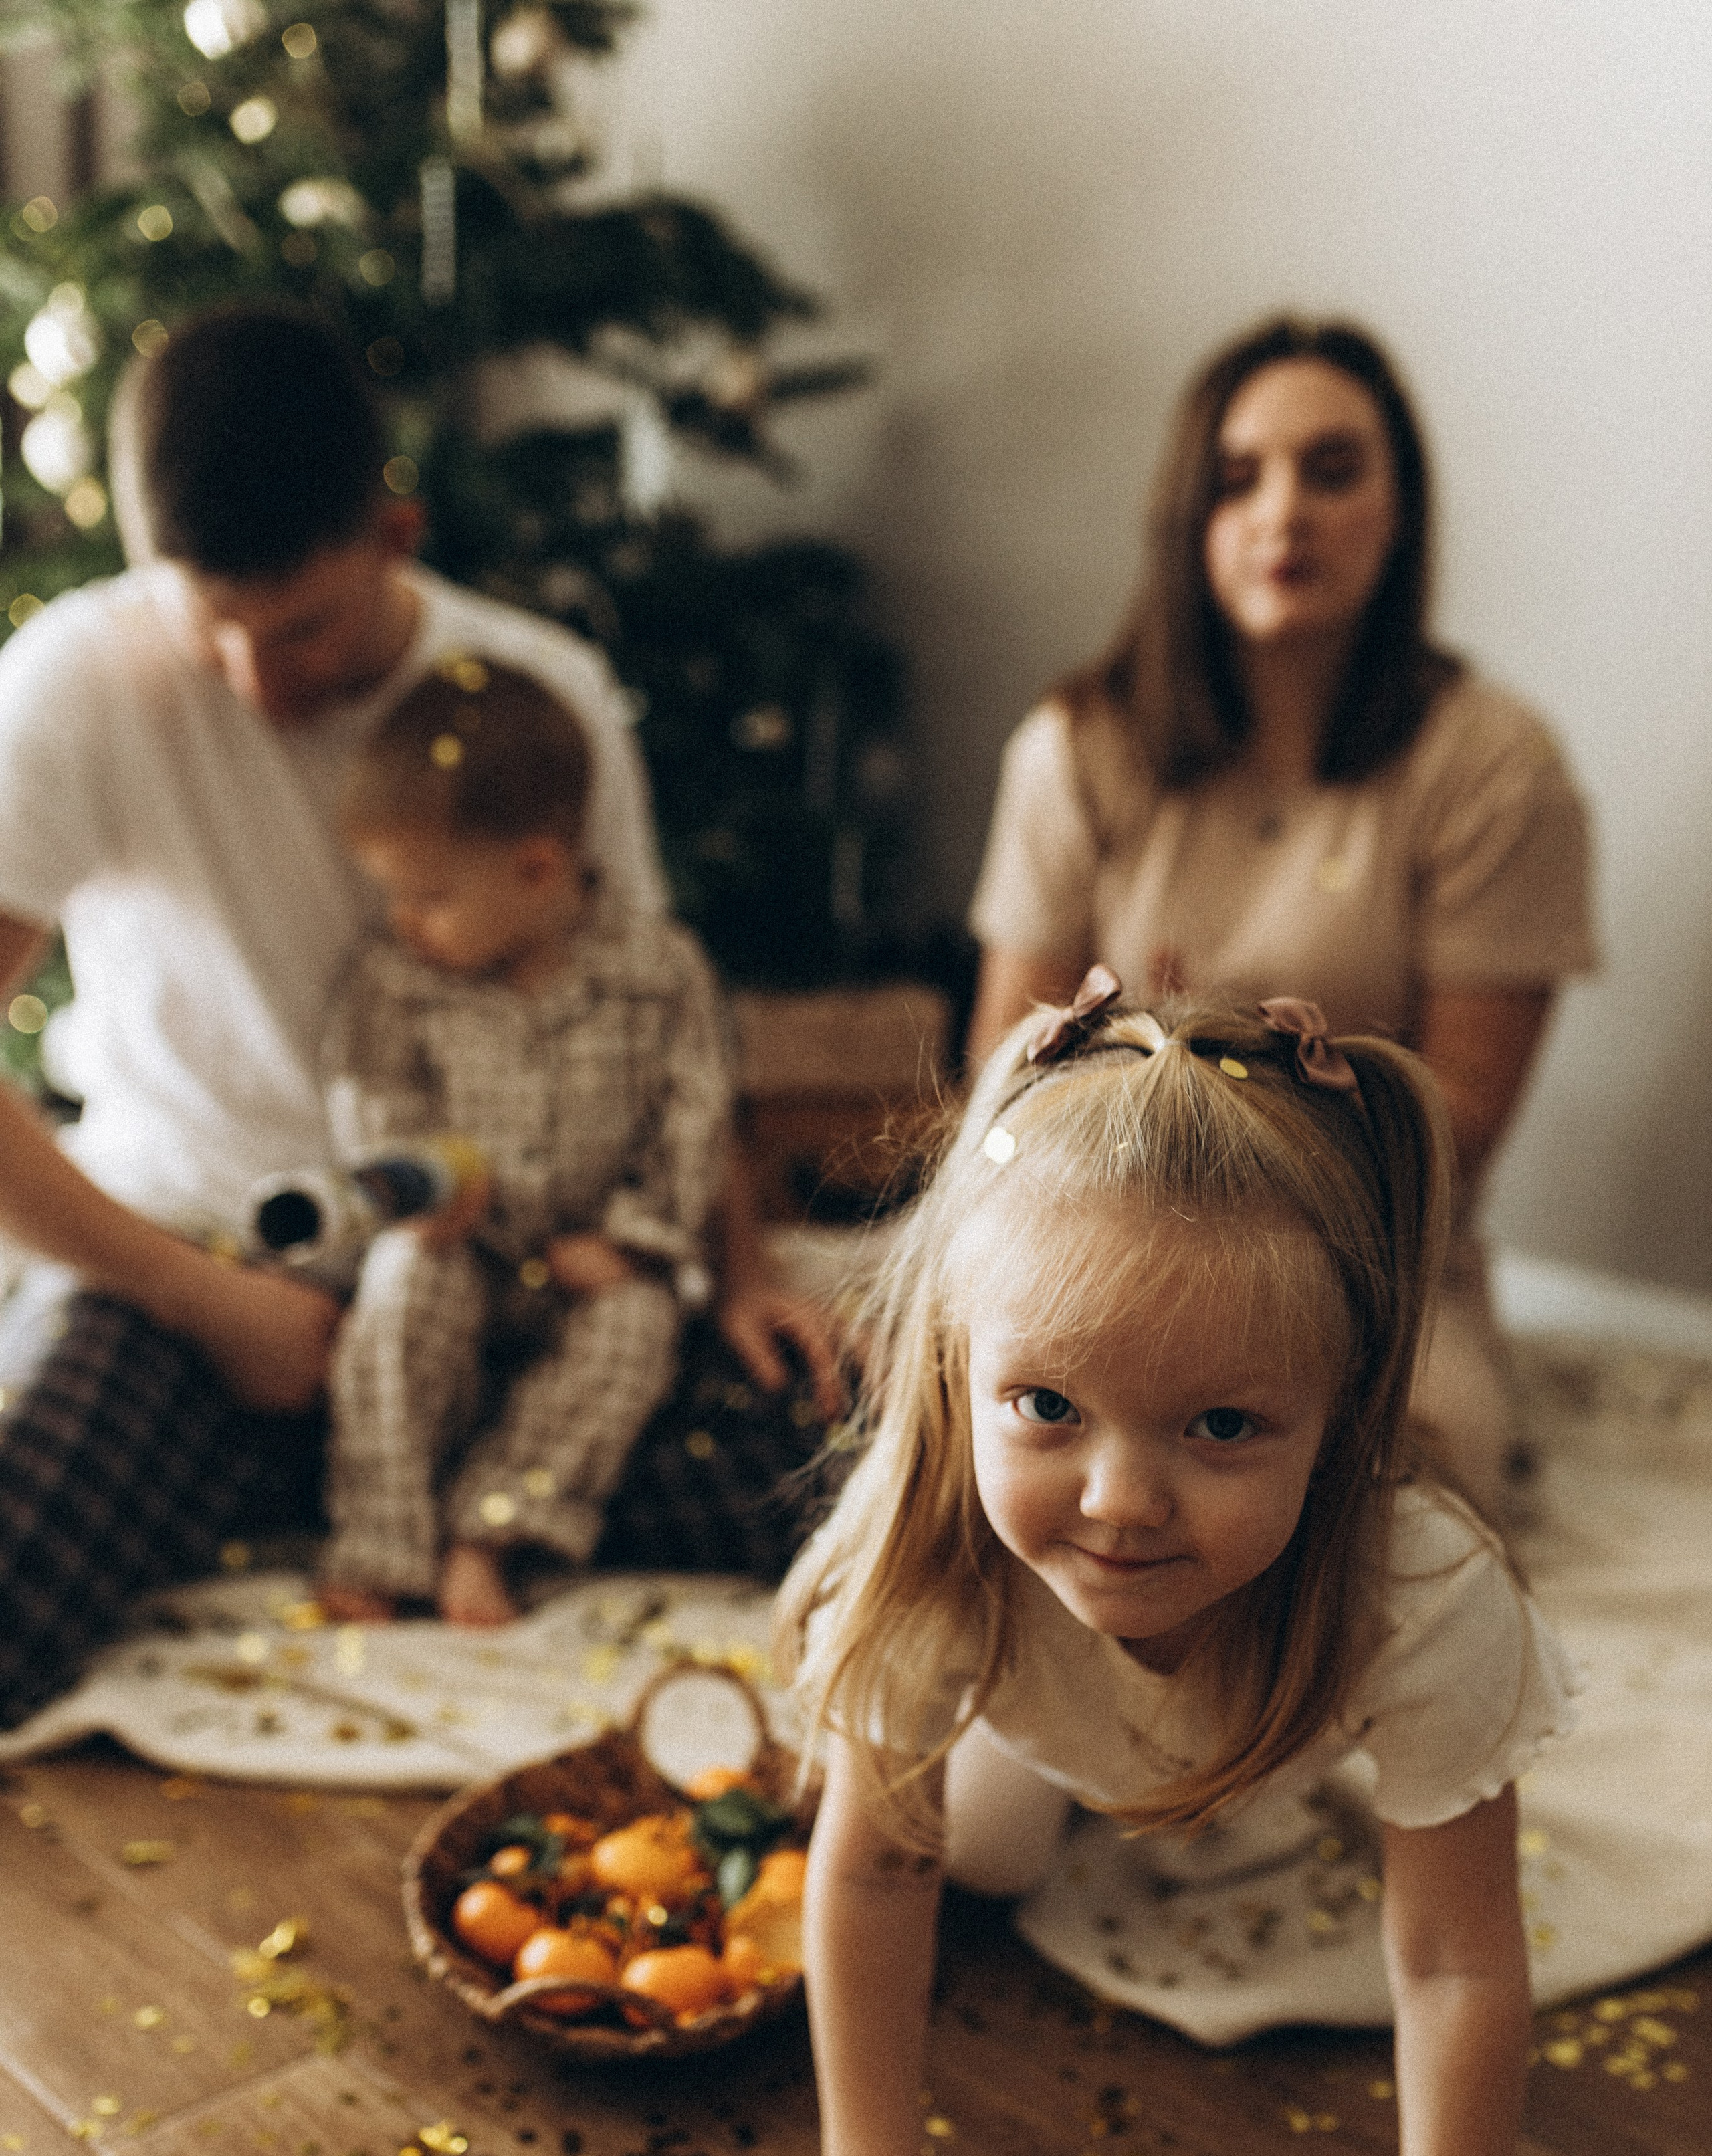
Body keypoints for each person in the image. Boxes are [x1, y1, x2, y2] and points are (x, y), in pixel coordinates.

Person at [725, 978, 1644, 2156]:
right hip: (1039, 1727)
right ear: (957, 1371)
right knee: (990, 1854)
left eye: (1219, 1426)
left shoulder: (1418, 1596)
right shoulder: (933, 1570)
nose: (1117, 1504)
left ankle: (1219, 1770)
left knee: (1249, 1828)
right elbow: (878, 1875)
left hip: (1281, 1729)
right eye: (1047, 1406)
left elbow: (1453, 1963)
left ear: (1345, 1407)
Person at [0, 301, 835, 1725]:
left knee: (850, 1495)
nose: (259, 682)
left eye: (305, 627)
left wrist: (742, 1273)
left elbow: (658, 1026)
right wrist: (208, 1304)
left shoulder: (538, 695)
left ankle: (427, 1507)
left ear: (396, 531)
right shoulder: (77, 680)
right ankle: (312, 1482)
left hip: (520, 1285)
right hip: (196, 1278)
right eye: (212, 627)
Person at [964, 317, 1596, 1517]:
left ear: (1400, 511)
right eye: (1240, 479)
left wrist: (1223, 1088)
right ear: (1187, 518)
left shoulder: (1496, 764)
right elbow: (996, 1080)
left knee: (1397, 1488)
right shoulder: (1074, 745)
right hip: (1093, 1230)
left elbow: (1455, 1131)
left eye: (1335, 469)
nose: (1285, 515)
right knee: (955, 1434)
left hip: (1369, 1260)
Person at [315, 658, 730, 1626]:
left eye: (428, 898)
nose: (402, 922)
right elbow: (369, 1096)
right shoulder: (395, 978)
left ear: (536, 869)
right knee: (401, 1289)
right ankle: (382, 1540)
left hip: (590, 1258)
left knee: (640, 1326)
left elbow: (693, 1116)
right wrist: (416, 1183)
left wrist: (635, 1239)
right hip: (459, 1241)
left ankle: (491, 1532)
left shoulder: (658, 972)